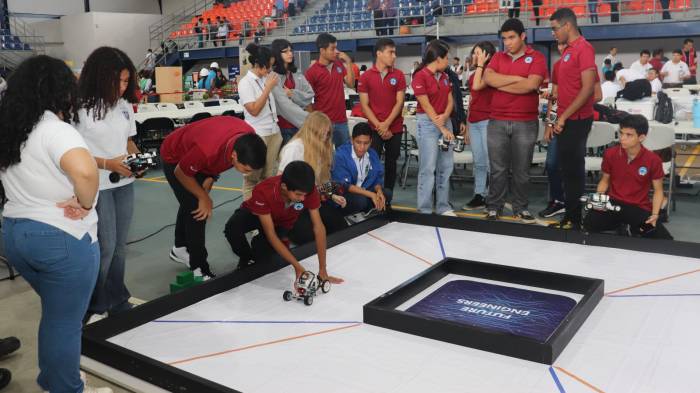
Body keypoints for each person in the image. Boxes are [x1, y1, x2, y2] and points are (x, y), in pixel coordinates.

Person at [0, 55, 112, 393]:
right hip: (61, 237)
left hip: (16, 233)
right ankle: (65, 388)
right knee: (65, 322)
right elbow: (85, 170)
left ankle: (57, 380)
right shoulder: (55, 129)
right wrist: (85, 201)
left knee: (56, 316)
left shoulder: (11, 130)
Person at [76, 47, 140, 323]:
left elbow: (129, 141)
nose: (122, 87)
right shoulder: (79, 107)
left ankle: (117, 298)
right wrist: (107, 164)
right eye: (117, 81)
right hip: (96, 185)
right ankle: (93, 305)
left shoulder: (124, 105)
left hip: (123, 182)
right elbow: (72, 154)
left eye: (126, 81)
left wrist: (138, 159)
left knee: (120, 246)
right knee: (105, 247)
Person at [161, 116, 266, 279]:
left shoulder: (248, 138)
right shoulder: (207, 150)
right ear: (235, 156)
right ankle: (199, 268)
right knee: (198, 209)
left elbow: (218, 161)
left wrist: (211, 177)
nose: (248, 173)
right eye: (245, 169)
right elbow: (181, 172)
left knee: (190, 200)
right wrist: (204, 198)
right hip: (175, 158)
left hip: (201, 154)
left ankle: (180, 247)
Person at [224, 161, 344, 283]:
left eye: (305, 195)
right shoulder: (263, 190)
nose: (303, 199)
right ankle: (246, 257)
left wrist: (323, 270)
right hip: (256, 213)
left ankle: (260, 244)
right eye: (299, 194)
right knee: (232, 228)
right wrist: (297, 267)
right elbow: (271, 234)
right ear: (284, 187)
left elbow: (319, 227)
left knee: (265, 259)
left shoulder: (308, 191)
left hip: (282, 222)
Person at [483, 18, 547, 222]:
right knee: (497, 170)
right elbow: (488, 79)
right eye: (504, 39)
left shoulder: (536, 57)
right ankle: (494, 206)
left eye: (511, 38)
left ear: (522, 36)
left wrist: (502, 83)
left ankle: (521, 207)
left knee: (522, 170)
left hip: (525, 122)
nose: (507, 43)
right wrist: (520, 80)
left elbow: (531, 85)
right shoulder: (498, 57)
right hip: (497, 120)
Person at [583, 115, 672, 239]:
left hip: (638, 207)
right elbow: (604, 181)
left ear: (641, 137)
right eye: (621, 133)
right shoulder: (610, 154)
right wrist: (599, 199)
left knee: (663, 239)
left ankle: (630, 226)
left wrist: (655, 214)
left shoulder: (653, 160)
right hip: (613, 204)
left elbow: (658, 191)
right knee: (588, 225)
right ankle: (624, 225)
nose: (622, 138)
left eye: (629, 135)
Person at [546, 8, 596, 229]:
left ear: (567, 26)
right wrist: (555, 117)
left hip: (576, 119)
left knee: (573, 172)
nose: (553, 33)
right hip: (566, 119)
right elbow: (562, 92)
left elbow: (587, 90)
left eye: (555, 28)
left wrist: (563, 117)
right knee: (566, 171)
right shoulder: (567, 52)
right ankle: (570, 216)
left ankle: (575, 220)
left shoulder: (584, 48)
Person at [276, 111, 348, 243]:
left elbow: (321, 183)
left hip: (313, 201)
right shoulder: (294, 149)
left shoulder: (320, 147)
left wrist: (332, 195)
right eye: (322, 134)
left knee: (341, 227)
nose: (325, 138)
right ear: (312, 131)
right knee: (309, 238)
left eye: (327, 134)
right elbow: (280, 184)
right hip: (294, 205)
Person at [412, 39, 456, 216]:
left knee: (446, 167)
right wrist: (443, 128)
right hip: (428, 123)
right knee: (428, 168)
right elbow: (427, 105)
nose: (449, 62)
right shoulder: (420, 76)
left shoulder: (445, 76)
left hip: (444, 120)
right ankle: (424, 209)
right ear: (438, 59)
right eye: (446, 58)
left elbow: (450, 99)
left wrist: (445, 116)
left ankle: (443, 206)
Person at [357, 38, 405, 192]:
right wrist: (380, 126)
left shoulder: (398, 75)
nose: (394, 56)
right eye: (391, 52)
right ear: (379, 53)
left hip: (394, 128)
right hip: (374, 129)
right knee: (372, 163)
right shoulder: (365, 77)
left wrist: (387, 124)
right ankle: (372, 195)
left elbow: (400, 102)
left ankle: (388, 197)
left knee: (391, 164)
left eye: (395, 52)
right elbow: (365, 106)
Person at [239, 43, 284, 199]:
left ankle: (265, 208)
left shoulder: (265, 78)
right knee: (252, 177)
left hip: (273, 132)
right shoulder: (245, 83)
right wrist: (267, 89)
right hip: (258, 135)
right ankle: (250, 212)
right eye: (268, 67)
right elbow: (254, 110)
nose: (270, 70)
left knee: (269, 175)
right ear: (258, 64)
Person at [305, 33, 355, 148]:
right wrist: (315, 120)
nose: (336, 51)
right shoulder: (312, 72)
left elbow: (351, 84)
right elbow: (306, 100)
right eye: (332, 49)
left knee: (344, 155)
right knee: (322, 157)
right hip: (323, 123)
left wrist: (348, 62)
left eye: (336, 48)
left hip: (341, 121)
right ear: (322, 51)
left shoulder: (338, 65)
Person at [462, 42, 495, 211]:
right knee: (479, 162)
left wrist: (482, 65)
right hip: (474, 122)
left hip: (487, 121)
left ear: (486, 55)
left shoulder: (491, 73)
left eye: (477, 53)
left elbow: (478, 85)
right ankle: (479, 194)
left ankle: (492, 196)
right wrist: (467, 126)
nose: (473, 56)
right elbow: (472, 101)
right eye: (473, 53)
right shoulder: (474, 74)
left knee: (490, 162)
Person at [332, 122, 391, 215]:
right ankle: (351, 216)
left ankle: (368, 212)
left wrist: (379, 191)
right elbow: (344, 185)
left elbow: (376, 179)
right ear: (351, 140)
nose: (362, 147)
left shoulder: (372, 154)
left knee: (386, 193)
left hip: (364, 190)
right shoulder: (341, 155)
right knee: (361, 200)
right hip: (345, 194)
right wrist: (371, 194)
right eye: (358, 142)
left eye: (366, 143)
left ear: (371, 141)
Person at [270, 39, 315, 145]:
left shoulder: (296, 73)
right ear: (277, 53)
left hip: (301, 127)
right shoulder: (273, 77)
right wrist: (310, 119)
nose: (290, 54)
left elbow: (310, 94)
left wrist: (292, 94)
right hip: (285, 128)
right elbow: (285, 106)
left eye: (290, 50)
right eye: (285, 51)